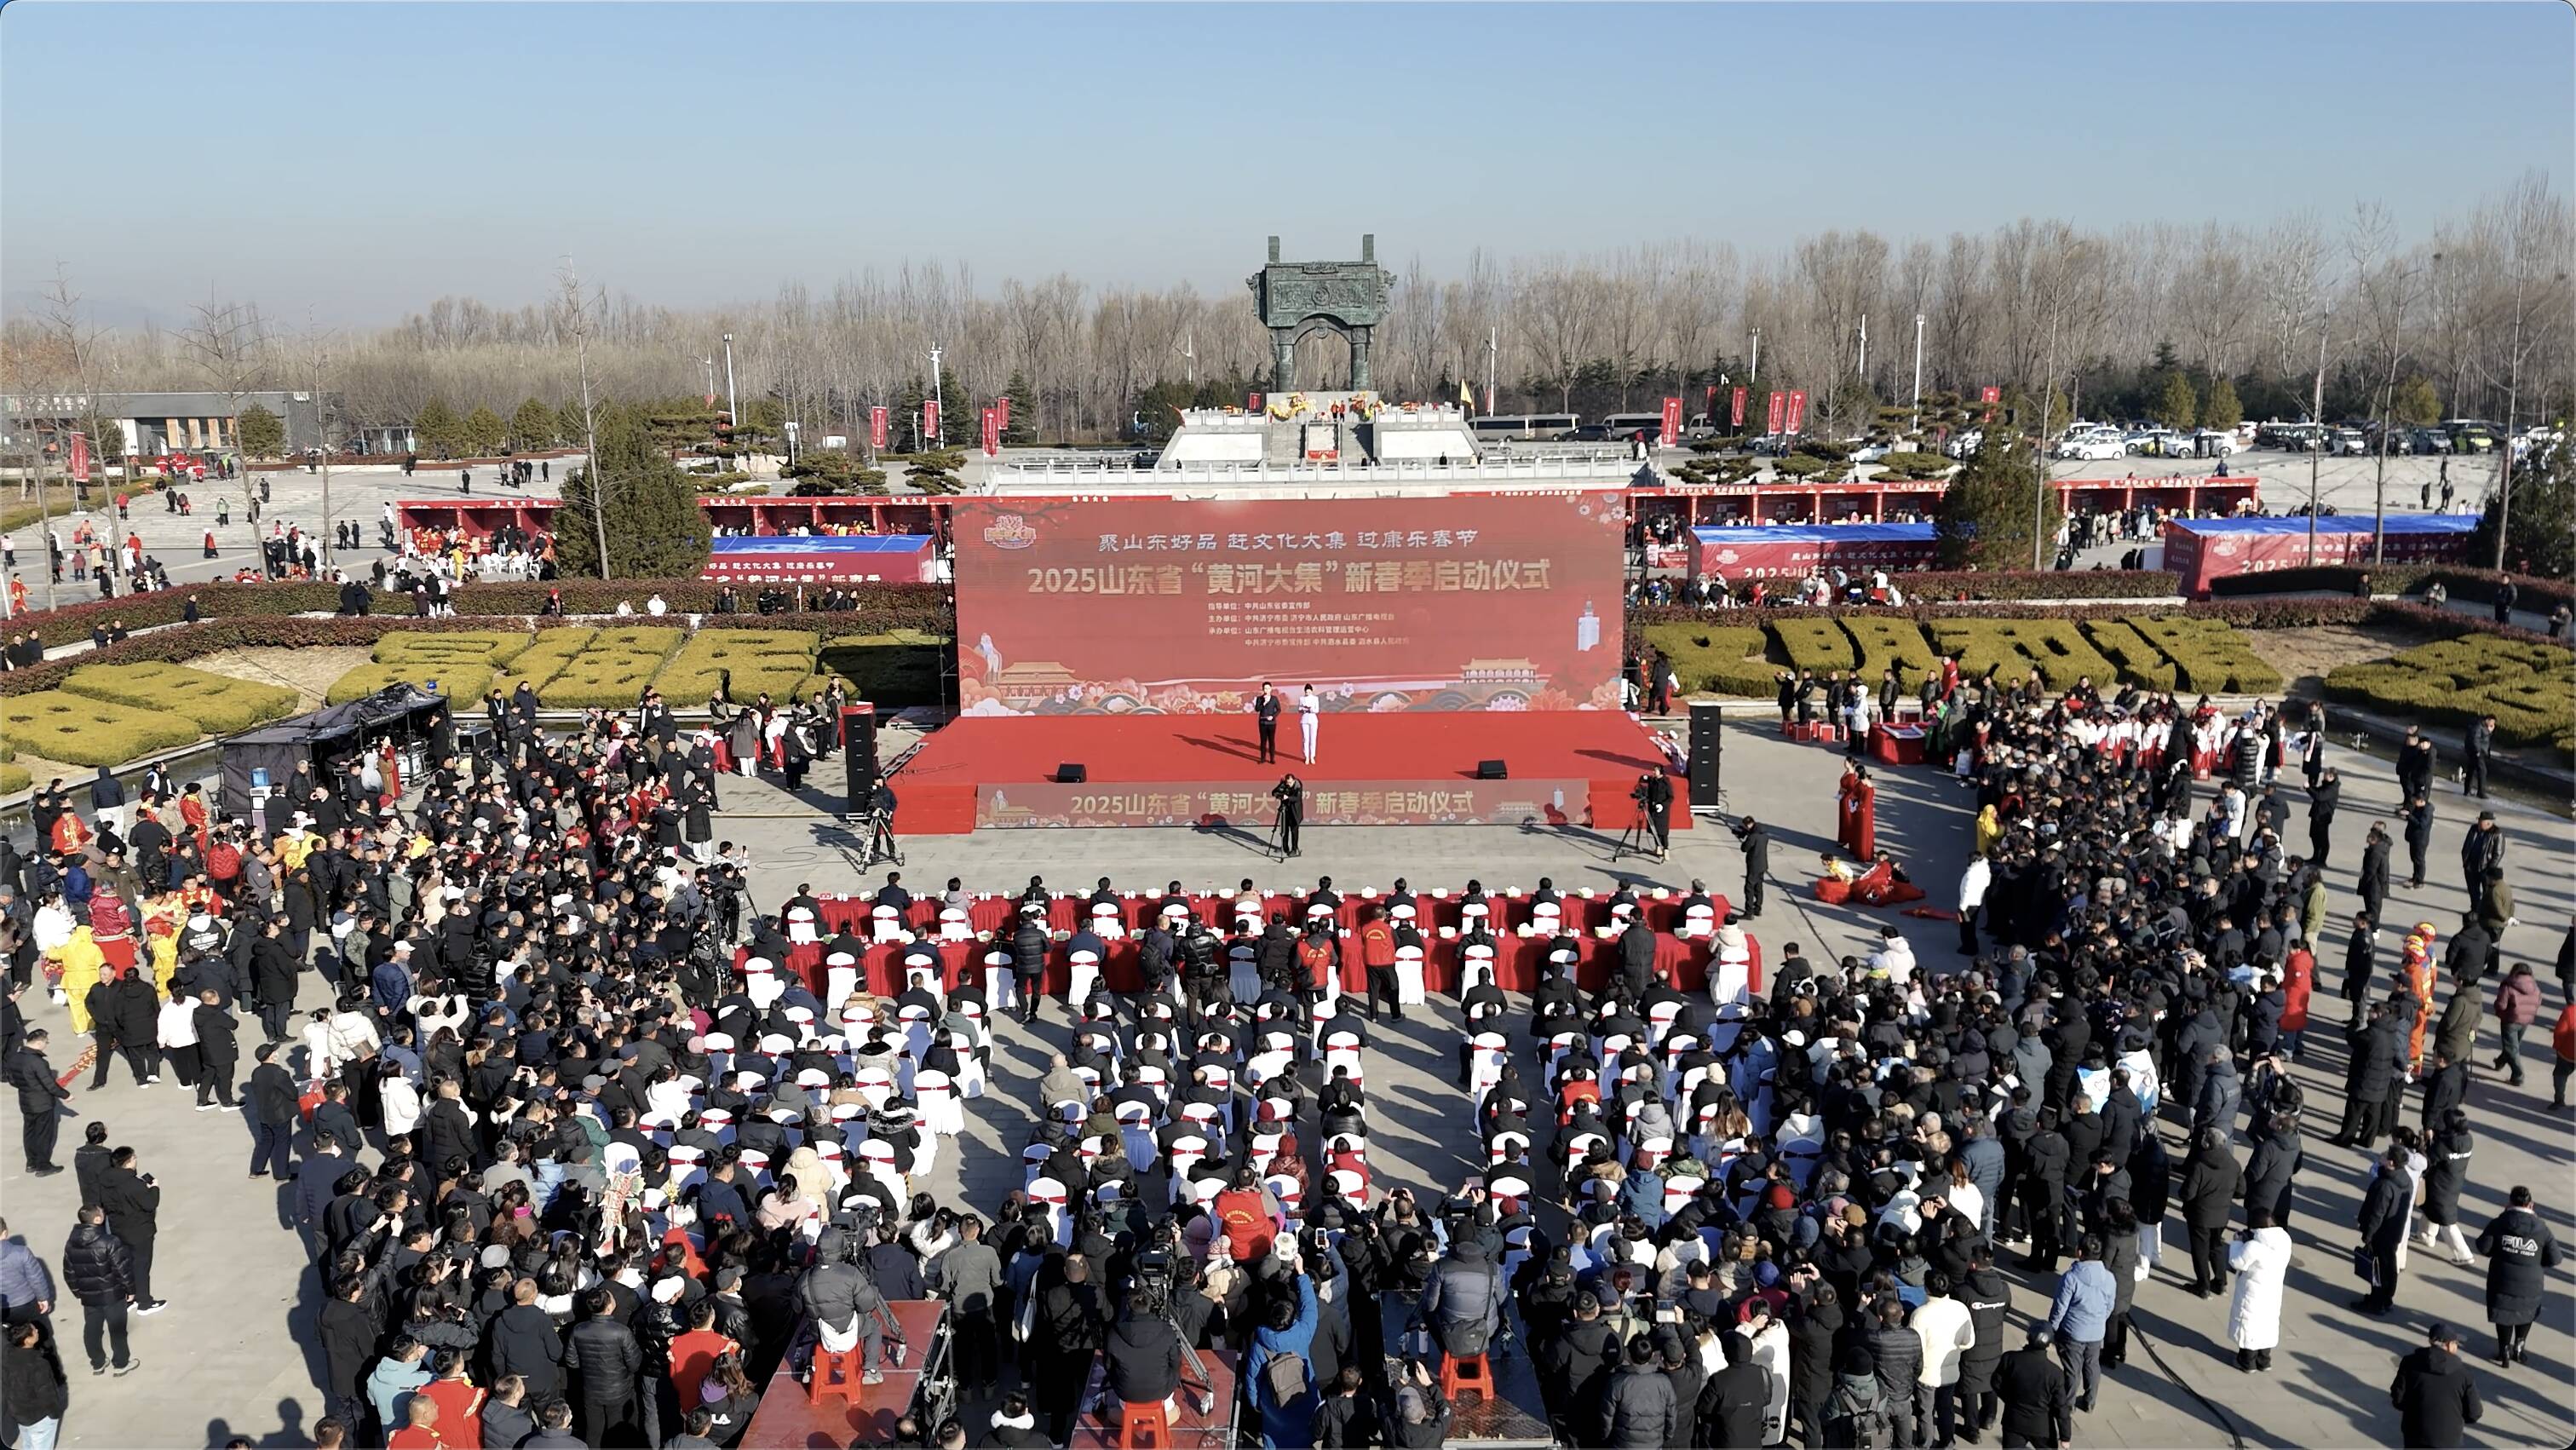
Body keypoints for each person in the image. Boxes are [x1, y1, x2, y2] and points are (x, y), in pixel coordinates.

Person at [2473, 1185, 2560, 1367]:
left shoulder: (2499, 1223)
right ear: (2531, 1205)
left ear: (2509, 1203)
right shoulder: (2542, 1228)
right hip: (2531, 1282)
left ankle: (2504, 1351)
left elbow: (2483, 1247)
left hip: (2502, 1279)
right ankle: (2519, 1348)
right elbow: (2555, 1258)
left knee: (2504, 1314)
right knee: (2525, 1312)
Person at [58, 1208, 134, 1378]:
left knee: (92, 1329)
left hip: (89, 1297)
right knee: (117, 1330)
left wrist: (78, 1292)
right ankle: (121, 1363)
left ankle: (98, 1362)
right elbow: (122, 1270)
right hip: (112, 1295)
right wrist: (130, 1290)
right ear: (98, 1219)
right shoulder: (110, 1241)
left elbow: (68, 1272)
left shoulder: (71, 1243)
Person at [2044, 1234, 2113, 1413]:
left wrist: (2053, 1328)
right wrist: (2099, 1321)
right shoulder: (2109, 1278)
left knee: (2072, 1369)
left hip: (2073, 1332)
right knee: (2092, 1365)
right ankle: (2090, 1401)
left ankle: (2068, 1404)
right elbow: (2109, 1305)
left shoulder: (2070, 1278)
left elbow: (2060, 1307)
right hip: (2097, 1332)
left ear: (2079, 1252)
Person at [2388, 1322, 2481, 1449]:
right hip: (2449, 1440)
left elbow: (2398, 1399)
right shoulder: (2464, 1374)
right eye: (2456, 1344)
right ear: (2448, 1345)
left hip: (2415, 1436)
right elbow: (2474, 1413)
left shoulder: (2410, 1363)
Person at [2223, 1208, 2290, 1372]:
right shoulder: (2285, 1240)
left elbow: (2237, 1262)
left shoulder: (2254, 1246)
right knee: (2267, 1323)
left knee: (2250, 1324)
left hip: (2252, 1292)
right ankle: (2264, 1360)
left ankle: (2247, 1361)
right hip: (2273, 1291)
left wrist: (2237, 1242)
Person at [1993, 1326, 2070, 1450]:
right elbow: (2061, 1407)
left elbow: (1996, 1383)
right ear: (2049, 1345)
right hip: (2042, 1427)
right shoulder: (2055, 1373)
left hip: (2014, 1421)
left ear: (2028, 1338)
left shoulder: (2010, 1358)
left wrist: (2010, 1400)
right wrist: (2065, 1436)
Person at [9, 1030, 69, 1176]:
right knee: (43, 1135)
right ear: (38, 1043)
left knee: (29, 1133)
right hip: (42, 1104)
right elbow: (50, 1085)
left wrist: (26, 1087)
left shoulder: (15, 1058)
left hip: (25, 1102)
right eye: (46, 1042)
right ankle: (43, 1166)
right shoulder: (39, 1062)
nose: (46, 1045)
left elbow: (11, 1080)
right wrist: (66, 1095)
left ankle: (31, 1162)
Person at [1730, 815, 1768, 918]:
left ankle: (1748, 912)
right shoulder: (1764, 834)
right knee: (1759, 887)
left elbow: (1744, 848)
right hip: (1763, 864)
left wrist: (1743, 837)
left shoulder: (1753, 837)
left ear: (1748, 824)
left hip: (1754, 866)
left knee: (1749, 888)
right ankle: (1758, 909)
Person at [1272, 774, 1304, 859]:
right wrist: (1280, 794)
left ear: (1294, 780)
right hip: (1285, 811)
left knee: (1294, 831)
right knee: (1284, 830)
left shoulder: (1298, 787)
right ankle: (1285, 847)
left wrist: (1287, 797)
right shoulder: (1284, 784)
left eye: (1290, 783)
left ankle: (1294, 849)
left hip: (1295, 813)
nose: (1288, 784)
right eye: (1287, 782)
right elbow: (1274, 792)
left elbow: (1297, 798)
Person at [1253, 682, 1282, 765]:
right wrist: (1264, 703)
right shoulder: (1260, 699)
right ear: (1263, 689)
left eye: (1268, 688)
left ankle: (1272, 758)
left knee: (1271, 741)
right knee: (1263, 741)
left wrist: (1273, 717)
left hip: (1272, 723)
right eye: (1265, 688)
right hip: (1262, 723)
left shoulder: (1274, 699)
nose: (1267, 690)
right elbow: (1257, 709)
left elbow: (1279, 709)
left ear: (1271, 689)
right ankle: (1262, 758)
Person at [1297, 684, 1320, 765]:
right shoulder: (1302, 698)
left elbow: (1317, 710)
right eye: (1306, 692)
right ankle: (1306, 756)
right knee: (1305, 739)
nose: (1308, 693)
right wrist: (1304, 709)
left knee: (1313, 739)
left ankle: (1312, 756)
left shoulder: (1315, 698)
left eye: (1309, 691)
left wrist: (1311, 709)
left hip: (1313, 719)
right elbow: (1299, 709)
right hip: (1304, 719)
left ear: (1311, 691)